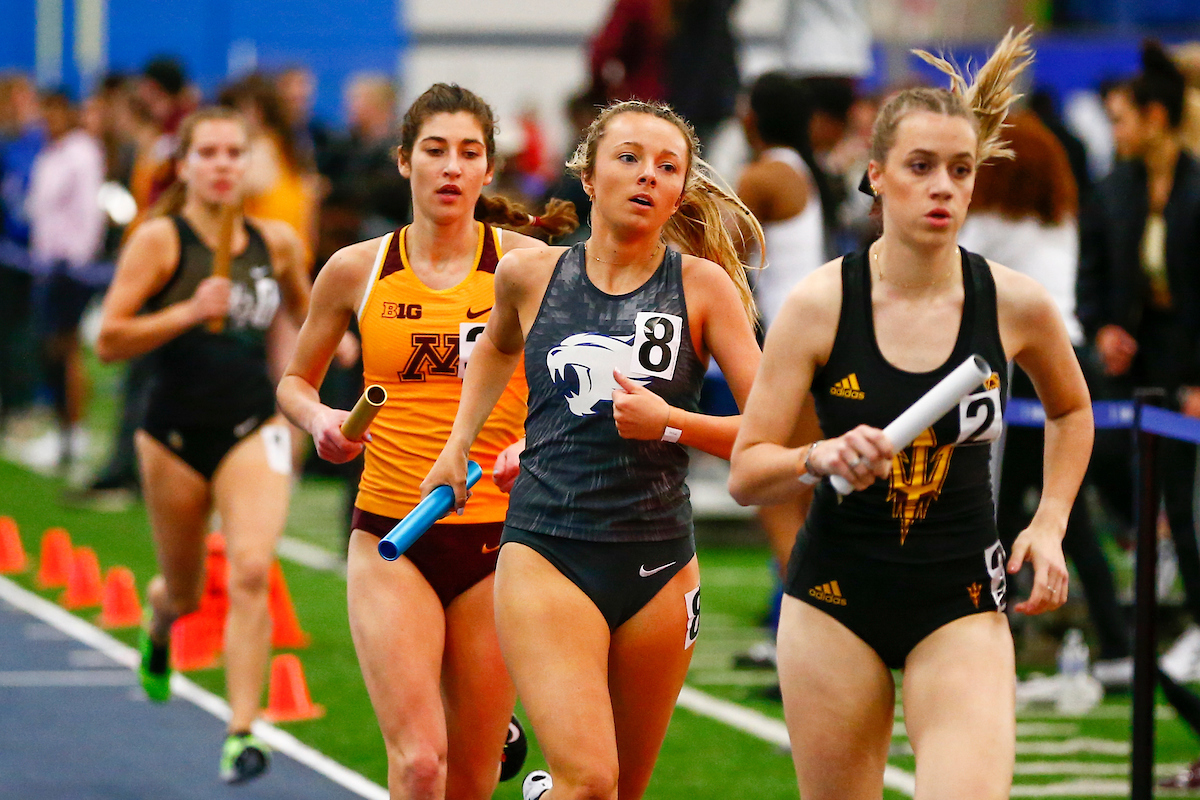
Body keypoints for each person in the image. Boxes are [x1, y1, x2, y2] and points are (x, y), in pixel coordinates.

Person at [728, 28, 1094, 799]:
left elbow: (1070, 409)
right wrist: (815, 458)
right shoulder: (820, 304)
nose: (943, 187)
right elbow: (746, 471)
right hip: (834, 600)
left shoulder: (1015, 302)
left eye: (960, 170)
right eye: (920, 167)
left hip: (959, 598)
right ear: (876, 175)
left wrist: (1051, 521)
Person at [422, 99, 764, 800]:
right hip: (549, 548)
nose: (648, 177)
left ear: (680, 190)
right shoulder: (529, 276)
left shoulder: (703, 289)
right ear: (589, 175)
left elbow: (772, 435)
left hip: (661, 562)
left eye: (668, 167)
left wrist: (672, 422)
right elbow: (494, 351)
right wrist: (459, 444)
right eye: (630, 158)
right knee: (591, 784)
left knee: (620, 793)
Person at [276, 83, 576, 800]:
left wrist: (531, 449)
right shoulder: (356, 269)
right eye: (435, 151)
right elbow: (295, 381)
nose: (451, 168)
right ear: (405, 161)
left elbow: (574, 390)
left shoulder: (530, 266)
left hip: (502, 541)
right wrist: (320, 421)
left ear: (488, 169)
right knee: (418, 765)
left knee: (471, 778)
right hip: (391, 532)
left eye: (468, 153)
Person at [94, 106, 314, 784]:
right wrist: (189, 310)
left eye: (233, 153)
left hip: (253, 424)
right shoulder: (161, 241)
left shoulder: (274, 241)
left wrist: (310, 377)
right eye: (209, 153)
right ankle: (159, 627)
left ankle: (242, 731)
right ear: (184, 165)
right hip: (173, 435)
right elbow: (108, 340)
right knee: (185, 593)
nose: (223, 165)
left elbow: (305, 316)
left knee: (250, 569)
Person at [956, 110, 1133, 683]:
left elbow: (949, 258)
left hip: (1027, 366)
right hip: (1066, 358)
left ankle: (986, 632)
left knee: (1003, 506)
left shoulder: (997, 221)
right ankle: (1112, 644)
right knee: (1065, 515)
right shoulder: (1056, 215)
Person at [26, 89, 107, 470]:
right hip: (47, 266)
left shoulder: (81, 151)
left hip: (71, 268)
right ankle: (63, 432)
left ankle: (76, 431)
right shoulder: (50, 152)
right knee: (51, 351)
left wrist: (78, 259)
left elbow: (87, 212)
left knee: (68, 348)